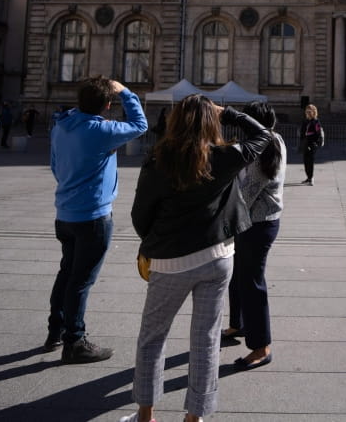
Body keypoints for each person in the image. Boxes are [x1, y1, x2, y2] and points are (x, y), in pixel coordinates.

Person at [119, 95, 271, 422]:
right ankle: (195, 417)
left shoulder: (158, 160)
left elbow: (140, 214)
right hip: (217, 259)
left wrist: (153, 239)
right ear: (211, 122)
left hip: (170, 262)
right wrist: (229, 113)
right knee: (205, 340)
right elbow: (264, 135)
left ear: (175, 122)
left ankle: (146, 416)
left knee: (152, 338)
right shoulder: (224, 156)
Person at [45, 76, 148, 363]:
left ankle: (55, 331)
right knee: (81, 281)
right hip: (93, 215)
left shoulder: (61, 126)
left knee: (66, 273)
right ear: (107, 105)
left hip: (64, 213)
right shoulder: (101, 130)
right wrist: (127, 92)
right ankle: (75, 341)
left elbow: (55, 165)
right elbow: (141, 125)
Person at [221, 101, 286, 371]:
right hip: (252, 222)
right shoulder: (274, 138)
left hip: (258, 224)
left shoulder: (266, 149)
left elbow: (246, 195)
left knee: (252, 282)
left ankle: (261, 347)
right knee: (238, 275)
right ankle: (238, 324)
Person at [300, 103, 323, 185]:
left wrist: (315, 143)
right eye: (307, 110)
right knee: (305, 161)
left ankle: (311, 178)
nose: (308, 112)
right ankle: (308, 177)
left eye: (310, 110)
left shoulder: (316, 121)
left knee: (310, 161)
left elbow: (318, 133)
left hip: (312, 144)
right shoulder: (305, 121)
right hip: (305, 143)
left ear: (314, 112)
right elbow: (302, 133)